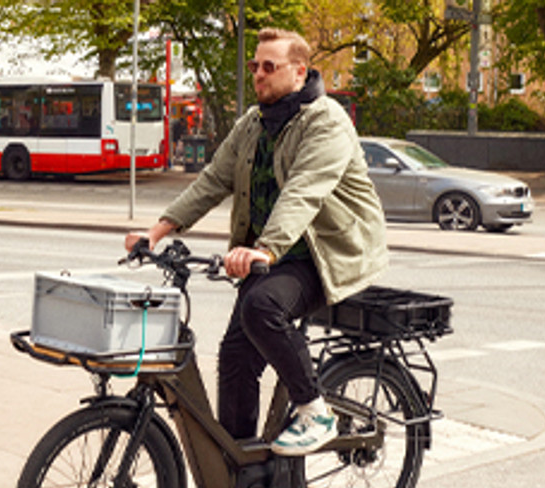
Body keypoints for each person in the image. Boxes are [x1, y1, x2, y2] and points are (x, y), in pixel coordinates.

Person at [125, 28, 387, 460]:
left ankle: (314, 410)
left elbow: (304, 190)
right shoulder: (253, 123)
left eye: (270, 67)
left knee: (261, 308)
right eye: (255, 66)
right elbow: (213, 179)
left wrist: (264, 249)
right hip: (273, 257)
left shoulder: (328, 121)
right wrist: (156, 232)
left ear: (299, 72)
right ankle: (238, 478)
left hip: (325, 255)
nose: (259, 75)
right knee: (235, 359)